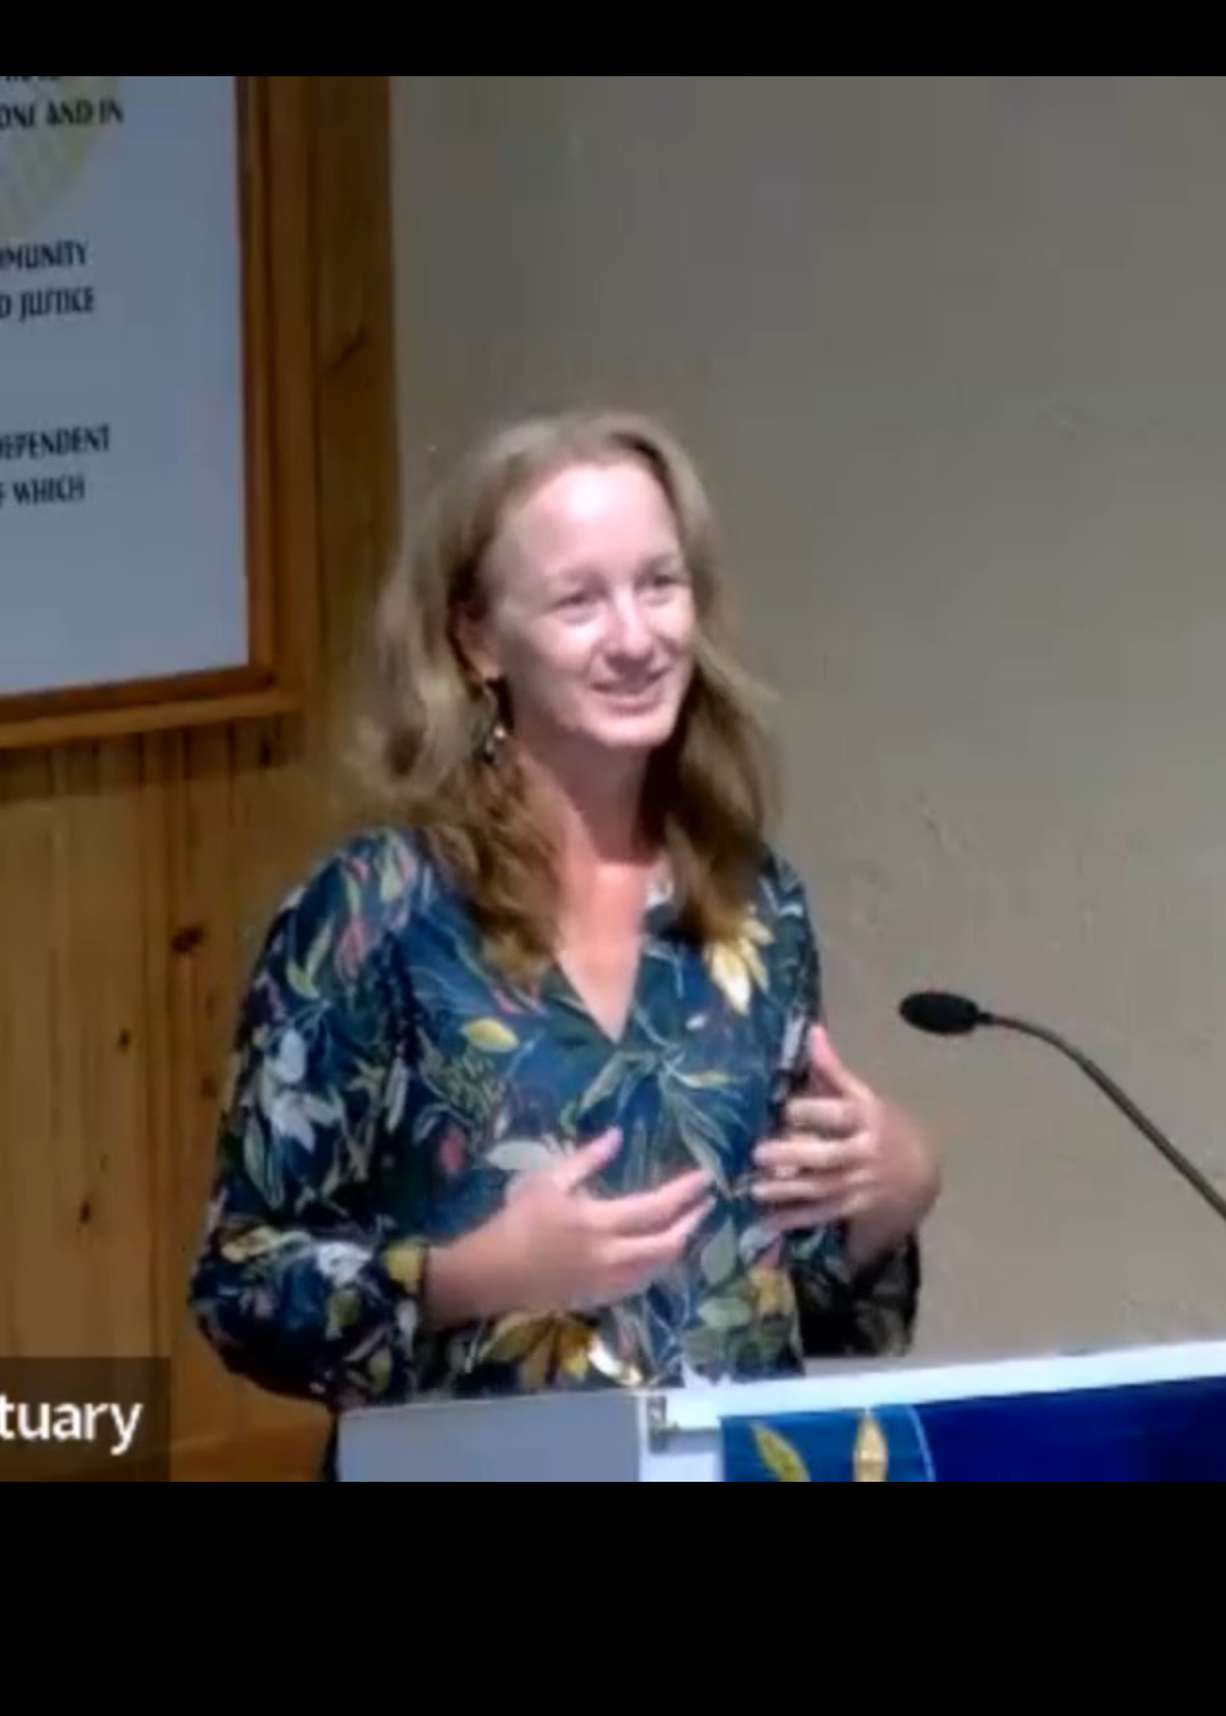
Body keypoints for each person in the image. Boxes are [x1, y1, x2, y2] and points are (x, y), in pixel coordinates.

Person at [188, 408, 941, 1449]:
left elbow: (769, 1291)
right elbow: (241, 1282)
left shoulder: (751, 906)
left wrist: (888, 1191)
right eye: (578, 600)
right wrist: (476, 1275)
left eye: (659, 584)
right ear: (478, 638)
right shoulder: (376, 909)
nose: (635, 637)